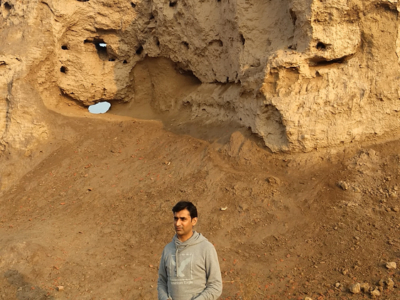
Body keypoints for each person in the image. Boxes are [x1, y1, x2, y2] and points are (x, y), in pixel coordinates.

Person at [157, 201, 223, 300]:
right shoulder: (168, 249)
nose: (178, 223)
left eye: (183, 219)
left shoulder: (206, 248)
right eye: (176, 218)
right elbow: (162, 281)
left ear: (194, 221)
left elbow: (216, 285)